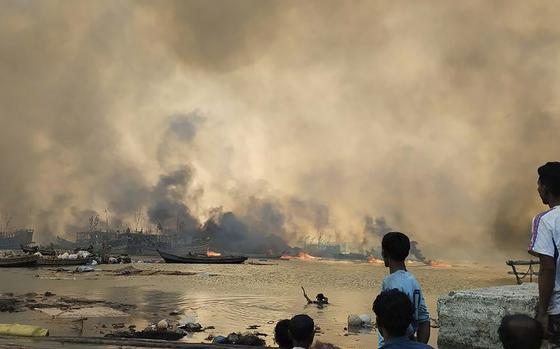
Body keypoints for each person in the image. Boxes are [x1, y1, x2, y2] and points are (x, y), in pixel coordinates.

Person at [377, 232, 430, 347]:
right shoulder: (412, 280)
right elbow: (424, 320)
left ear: (384, 253)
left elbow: (397, 323)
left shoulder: (392, 282)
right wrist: (418, 346)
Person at [528, 162, 560, 340]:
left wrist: (542, 312)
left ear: (546, 187)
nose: (538, 189)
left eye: (539, 185)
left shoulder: (546, 220)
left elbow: (548, 268)